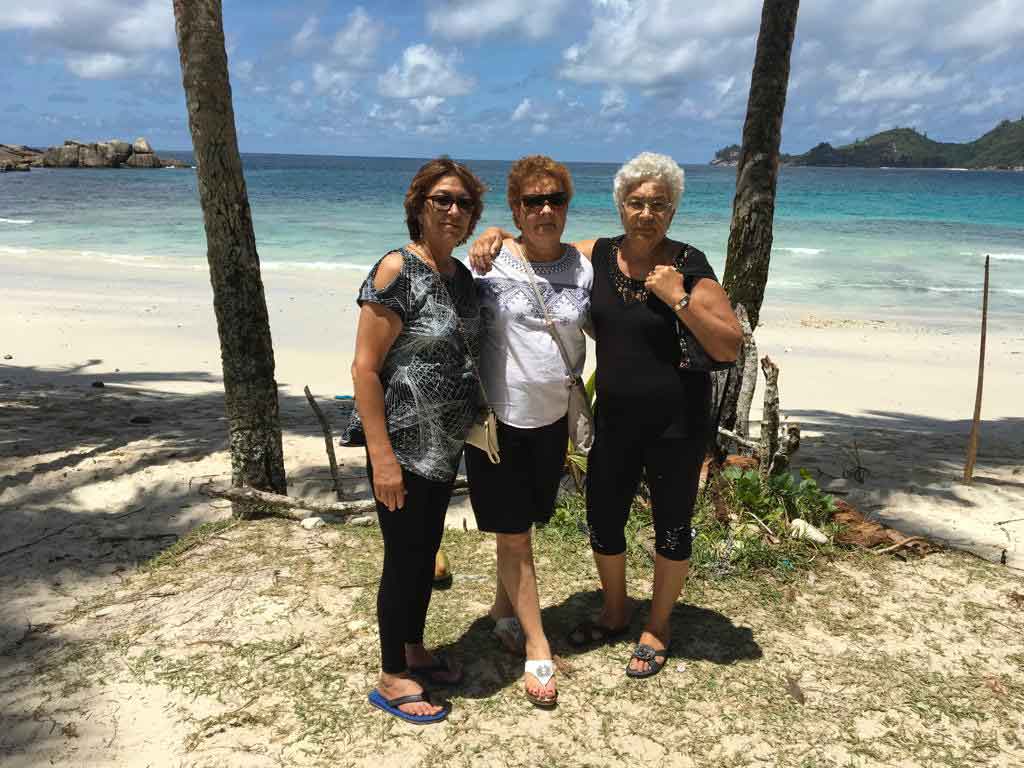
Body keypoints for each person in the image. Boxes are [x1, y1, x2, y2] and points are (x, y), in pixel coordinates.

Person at [470, 152, 741, 679]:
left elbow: (730, 345)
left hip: (677, 418)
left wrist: (678, 298)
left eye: (658, 205)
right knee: (603, 518)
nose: (646, 214)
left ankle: (658, 625)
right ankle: (616, 610)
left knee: (672, 523)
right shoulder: (597, 255)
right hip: (613, 416)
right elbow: (542, 247)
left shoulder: (690, 263)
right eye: (636, 203)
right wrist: (496, 233)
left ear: (673, 209)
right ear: (620, 206)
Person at [344, 157, 486, 724]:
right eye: (442, 200)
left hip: (443, 445)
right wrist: (381, 459)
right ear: (418, 207)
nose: (454, 211)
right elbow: (364, 370)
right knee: (403, 558)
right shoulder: (395, 270)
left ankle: (412, 648)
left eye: (465, 203)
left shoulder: (461, 278)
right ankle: (391, 674)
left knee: (424, 551)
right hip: (402, 444)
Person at [467, 155, 593, 707]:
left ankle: (502, 613)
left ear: (567, 206)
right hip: (498, 423)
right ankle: (537, 645)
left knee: (522, 527)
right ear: (515, 209)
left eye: (555, 200)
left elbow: (623, 253)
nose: (544, 209)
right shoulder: (490, 262)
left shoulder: (584, 266)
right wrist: (489, 235)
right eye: (531, 201)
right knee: (515, 535)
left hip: (552, 422)